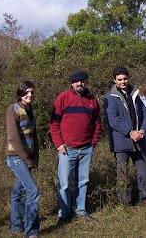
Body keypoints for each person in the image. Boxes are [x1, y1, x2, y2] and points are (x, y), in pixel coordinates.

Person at [50, 70, 102, 224]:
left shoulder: (92, 99)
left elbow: (97, 123)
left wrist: (93, 143)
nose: (80, 84)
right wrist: (59, 144)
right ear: (71, 83)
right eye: (76, 81)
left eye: (83, 81)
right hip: (67, 149)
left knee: (83, 181)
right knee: (65, 183)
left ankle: (80, 209)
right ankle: (64, 213)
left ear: (87, 82)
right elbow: (54, 123)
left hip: (86, 148)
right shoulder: (63, 98)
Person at [104, 66, 146, 208]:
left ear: (128, 78)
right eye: (120, 79)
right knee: (123, 173)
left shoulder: (135, 94)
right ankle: (126, 203)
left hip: (139, 139)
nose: (123, 82)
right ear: (114, 80)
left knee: (144, 169)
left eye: (125, 78)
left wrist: (143, 130)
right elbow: (113, 120)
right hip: (121, 141)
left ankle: (144, 198)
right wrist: (130, 132)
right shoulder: (110, 98)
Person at [5, 81, 39, 238]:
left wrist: (35, 157)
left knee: (18, 192)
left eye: (32, 92)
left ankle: (16, 226)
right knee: (33, 191)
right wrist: (27, 159)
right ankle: (31, 231)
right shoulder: (13, 110)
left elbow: (34, 136)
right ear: (20, 93)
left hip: (27, 158)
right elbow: (13, 137)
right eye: (27, 92)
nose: (30, 95)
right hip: (16, 158)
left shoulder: (30, 110)